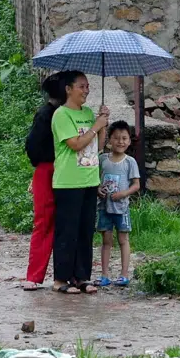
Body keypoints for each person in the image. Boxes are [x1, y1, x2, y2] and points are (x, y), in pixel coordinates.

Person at [50, 71, 109, 294]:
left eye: (87, 87)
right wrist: (95, 126)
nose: (86, 91)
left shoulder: (88, 113)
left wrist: (103, 123)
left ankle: (81, 276)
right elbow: (75, 144)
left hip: (89, 179)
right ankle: (61, 279)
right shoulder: (61, 115)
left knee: (85, 231)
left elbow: (98, 146)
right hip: (68, 182)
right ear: (68, 89)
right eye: (81, 86)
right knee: (67, 231)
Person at [23, 72, 66, 290]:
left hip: (57, 169)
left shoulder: (63, 114)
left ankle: (42, 275)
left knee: (57, 224)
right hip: (50, 169)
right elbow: (33, 146)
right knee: (45, 222)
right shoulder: (46, 115)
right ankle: (35, 275)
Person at [97, 121, 141, 287]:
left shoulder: (130, 162)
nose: (120, 142)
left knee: (123, 240)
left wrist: (123, 194)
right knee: (106, 241)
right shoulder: (102, 159)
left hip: (122, 209)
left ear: (129, 141)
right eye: (116, 138)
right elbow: (95, 179)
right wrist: (97, 189)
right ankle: (104, 275)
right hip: (104, 207)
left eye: (124, 138)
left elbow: (136, 185)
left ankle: (124, 274)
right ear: (109, 140)